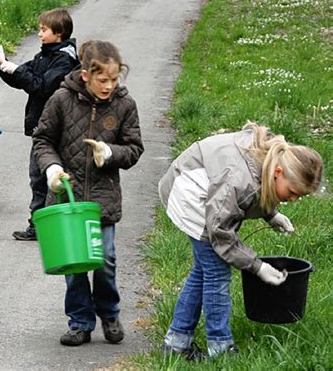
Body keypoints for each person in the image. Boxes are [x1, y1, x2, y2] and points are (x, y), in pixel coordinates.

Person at [158, 122, 323, 360]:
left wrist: (272, 215)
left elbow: (259, 189)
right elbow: (221, 233)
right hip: (190, 194)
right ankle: (221, 347)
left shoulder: (274, 158)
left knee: (203, 271)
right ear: (279, 172)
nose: (295, 199)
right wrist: (258, 266)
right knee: (216, 273)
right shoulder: (238, 181)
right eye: (293, 191)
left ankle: (176, 342)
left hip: (211, 193)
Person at [33, 40, 144, 346]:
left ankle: (109, 313)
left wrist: (110, 153)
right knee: (75, 263)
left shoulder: (124, 105)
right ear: (85, 75)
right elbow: (43, 140)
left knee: (105, 258)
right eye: (102, 80)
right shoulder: (60, 100)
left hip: (102, 200)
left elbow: (134, 149)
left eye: (114, 79)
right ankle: (80, 321)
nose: (109, 86)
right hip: (67, 200)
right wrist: (52, 170)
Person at [0, 8, 80, 241]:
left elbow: (41, 86)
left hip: (56, 130)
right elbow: (23, 76)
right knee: (37, 178)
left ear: (58, 33)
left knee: (47, 177)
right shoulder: (44, 55)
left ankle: (52, 224)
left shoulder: (64, 60)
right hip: (40, 127)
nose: (39, 34)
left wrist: (15, 70)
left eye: (43, 29)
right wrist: (4, 66)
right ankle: (39, 224)